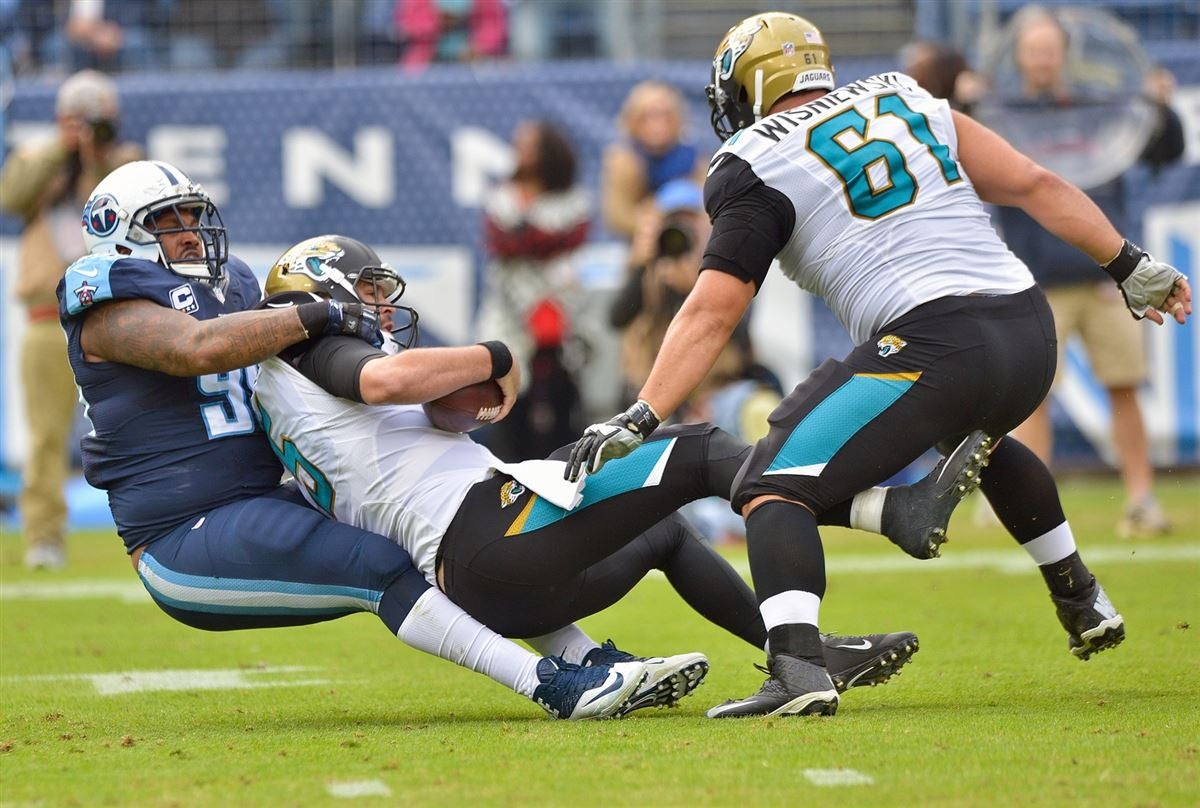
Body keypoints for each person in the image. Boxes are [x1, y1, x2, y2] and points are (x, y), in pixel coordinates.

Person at [565, 12, 1192, 718]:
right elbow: (1034, 182)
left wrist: (644, 410)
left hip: (934, 341)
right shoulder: (908, 96)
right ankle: (1078, 593)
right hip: (1024, 328)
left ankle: (797, 668)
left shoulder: (753, 157)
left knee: (768, 486)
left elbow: (713, 309)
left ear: (749, 84)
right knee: (972, 436)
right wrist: (1127, 262)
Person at [56, 160, 649, 721]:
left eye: (192, 217)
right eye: (168, 222)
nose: (189, 234)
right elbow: (196, 349)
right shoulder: (106, 306)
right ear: (119, 235)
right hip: (182, 534)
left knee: (435, 533)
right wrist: (324, 314)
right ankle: (547, 684)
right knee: (376, 565)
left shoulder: (232, 283)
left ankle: (584, 658)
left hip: (269, 497)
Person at [252, 234, 938, 712]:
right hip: (491, 533)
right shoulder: (310, 342)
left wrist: (464, 395)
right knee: (697, 446)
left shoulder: (285, 400)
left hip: (489, 580)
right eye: (368, 290)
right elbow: (383, 382)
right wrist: (494, 352)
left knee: (665, 532)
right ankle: (884, 513)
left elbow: (427, 420)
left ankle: (802, 653)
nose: (379, 305)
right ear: (324, 289)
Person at [996, 8, 1186, 538]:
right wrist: (966, 100)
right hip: (1036, 281)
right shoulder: (1000, 112)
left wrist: (1162, 106)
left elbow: (1164, 148)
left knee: (1123, 388)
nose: (1041, 59)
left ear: (1065, 54)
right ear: (1019, 55)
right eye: (1033, 50)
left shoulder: (1102, 108)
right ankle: (1030, 510)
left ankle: (1141, 500)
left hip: (1107, 281)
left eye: (1050, 50)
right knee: (1033, 398)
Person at [0, 69, 140, 569]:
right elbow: (12, 197)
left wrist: (94, 156)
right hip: (47, 317)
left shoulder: (124, 162)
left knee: (137, 427)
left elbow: (131, 201)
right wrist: (62, 150)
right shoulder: (36, 159)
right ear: (60, 120)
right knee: (43, 436)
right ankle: (43, 537)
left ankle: (152, 526)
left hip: (113, 317)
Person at [475, 120, 590, 461]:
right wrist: (536, 237)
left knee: (563, 395)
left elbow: (569, 237)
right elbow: (501, 241)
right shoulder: (500, 197)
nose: (518, 150)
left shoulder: (573, 198)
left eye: (527, 143)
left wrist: (526, 234)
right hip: (510, 311)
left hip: (560, 310)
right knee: (507, 392)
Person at [601, 81, 707, 241]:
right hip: (641, 238)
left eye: (665, 115)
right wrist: (652, 221)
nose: (657, 125)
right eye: (648, 116)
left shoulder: (693, 158)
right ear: (632, 121)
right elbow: (617, 216)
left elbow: (706, 205)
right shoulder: (625, 160)